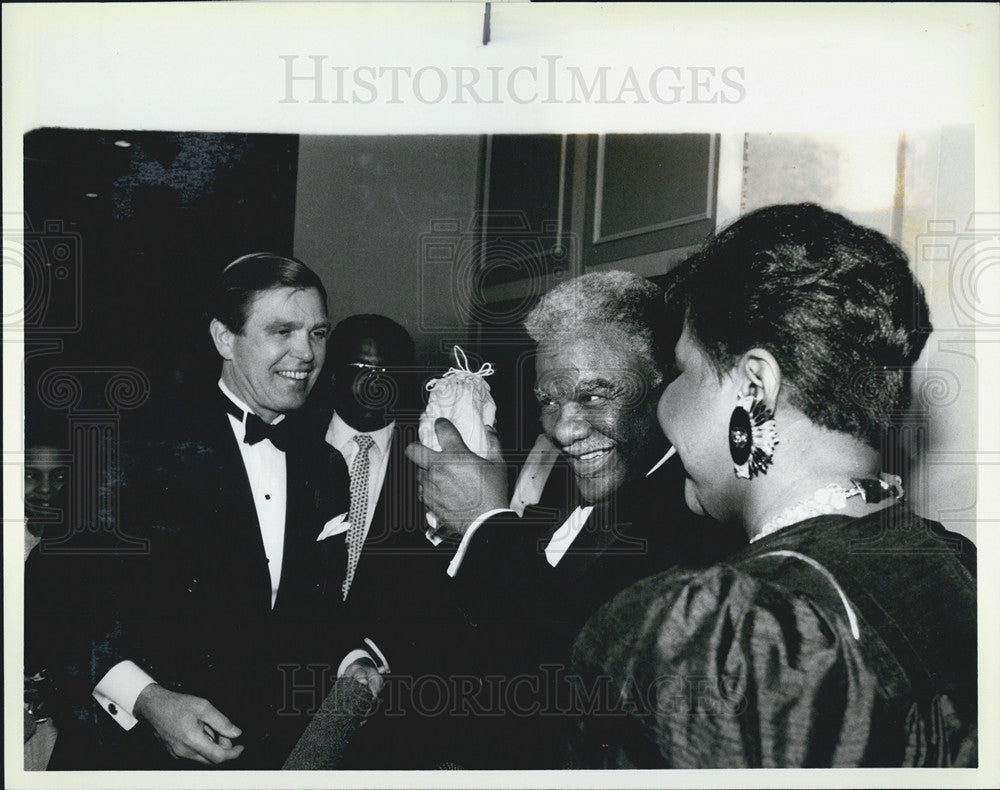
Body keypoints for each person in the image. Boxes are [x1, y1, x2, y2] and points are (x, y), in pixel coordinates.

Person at [571, 203, 977, 767]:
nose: (664, 403)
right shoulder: (952, 562)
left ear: (755, 386)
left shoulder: (729, 637)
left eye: (681, 370)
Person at [51, 253, 381, 770]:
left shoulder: (325, 467)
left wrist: (350, 658)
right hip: (127, 755)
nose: (307, 353)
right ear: (224, 339)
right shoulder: (132, 442)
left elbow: (309, 610)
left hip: (263, 755)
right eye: (282, 331)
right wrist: (148, 699)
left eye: (318, 333)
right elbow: (54, 592)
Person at [406, 270, 746, 768]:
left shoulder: (700, 518)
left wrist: (485, 524)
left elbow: (577, 692)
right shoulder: (570, 488)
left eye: (593, 395)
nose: (563, 429)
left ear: (665, 386)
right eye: (548, 400)